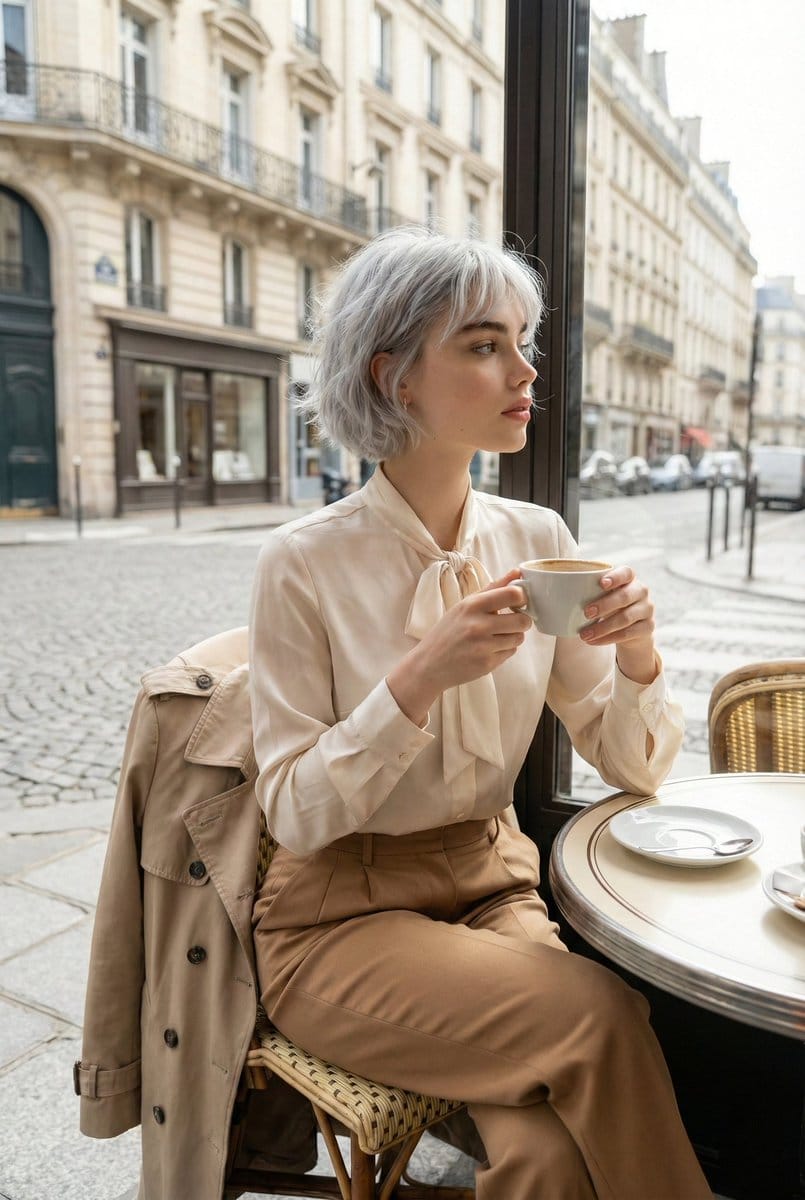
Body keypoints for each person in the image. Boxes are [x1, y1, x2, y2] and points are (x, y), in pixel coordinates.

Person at [249, 226, 712, 1200]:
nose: (524, 369)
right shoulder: (304, 562)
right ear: (396, 377)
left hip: (491, 892)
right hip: (338, 921)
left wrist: (635, 655)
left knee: (543, 1157)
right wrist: (418, 677)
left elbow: (634, 770)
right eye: (483, 343)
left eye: (524, 342)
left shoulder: (535, 539)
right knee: (600, 1014)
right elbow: (292, 811)